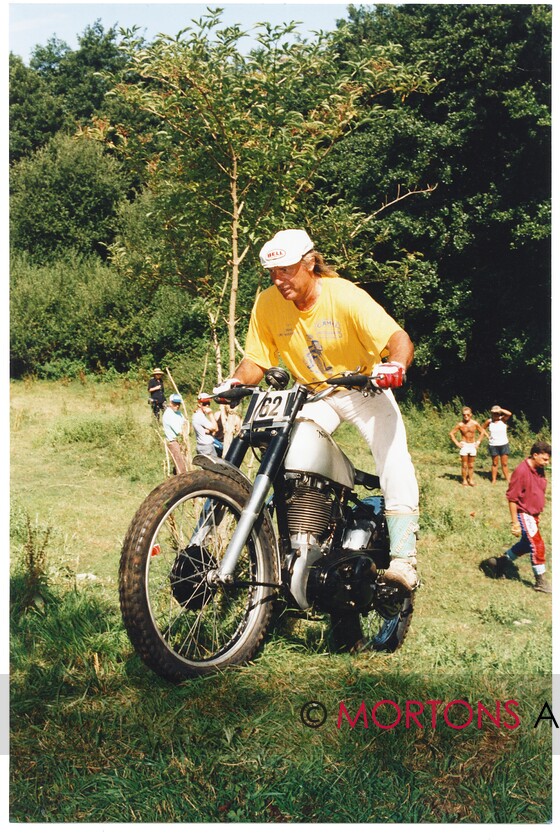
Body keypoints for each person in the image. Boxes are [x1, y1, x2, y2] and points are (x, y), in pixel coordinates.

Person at [214, 228, 419, 594]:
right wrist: (234, 382)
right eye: (273, 274)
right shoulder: (266, 304)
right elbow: (255, 361)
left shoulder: (344, 296)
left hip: (362, 388)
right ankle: (302, 542)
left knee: (393, 458)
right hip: (312, 393)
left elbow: (397, 338)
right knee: (288, 458)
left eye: (286, 271)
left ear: (310, 263)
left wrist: (396, 366)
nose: (279, 281)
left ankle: (404, 560)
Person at [486, 441, 552, 594]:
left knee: (526, 544)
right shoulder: (521, 471)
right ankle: (540, 581)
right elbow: (512, 498)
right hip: (524, 513)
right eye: (544, 459)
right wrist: (515, 522)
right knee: (538, 545)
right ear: (535, 455)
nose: (547, 463)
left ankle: (499, 563)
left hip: (534, 514)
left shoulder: (539, 469)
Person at [449, 407, 487, 487]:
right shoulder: (460, 425)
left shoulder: (475, 423)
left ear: (471, 415)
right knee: (464, 465)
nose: (466, 416)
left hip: (472, 445)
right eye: (464, 415)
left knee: (471, 465)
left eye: (467, 415)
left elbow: (482, 432)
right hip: (464, 445)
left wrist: (478, 442)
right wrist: (457, 443)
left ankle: (471, 479)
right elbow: (451, 433)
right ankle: (464, 480)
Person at [482, 405, 512, 483]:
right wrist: (487, 436)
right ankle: (494, 480)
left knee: (504, 463)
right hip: (493, 445)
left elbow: (509, 414)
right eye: (494, 413)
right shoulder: (489, 421)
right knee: (495, 463)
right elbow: (482, 429)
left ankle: (508, 479)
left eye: (497, 413)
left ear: (500, 413)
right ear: (491, 413)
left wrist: (500, 409)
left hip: (504, 444)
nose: (496, 415)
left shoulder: (503, 419)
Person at [162, 393, 187, 474]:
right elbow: (179, 431)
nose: (177, 406)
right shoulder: (169, 414)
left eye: (178, 404)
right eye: (175, 404)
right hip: (174, 442)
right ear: (170, 403)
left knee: (184, 462)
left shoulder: (179, 413)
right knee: (180, 465)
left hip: (181, 441)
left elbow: (185, 423)